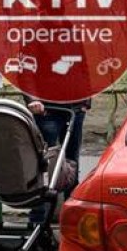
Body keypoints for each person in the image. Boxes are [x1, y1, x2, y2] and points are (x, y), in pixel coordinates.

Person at [24, 97, 89, 227]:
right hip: (45, 108)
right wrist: (32, 101)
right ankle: (39, 218)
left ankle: (72, 217)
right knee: (43, 162)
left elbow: (85, 76)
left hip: (75, 107)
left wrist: (85, 102)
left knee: (72, 163)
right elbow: (24, 76)